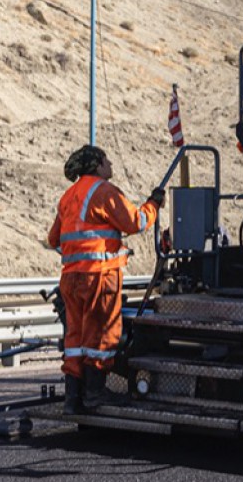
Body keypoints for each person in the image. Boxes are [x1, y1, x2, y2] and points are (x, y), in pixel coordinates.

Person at [49, 145, 161, 412]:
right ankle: (95, 394)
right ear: (98, 165)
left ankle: (73, 398)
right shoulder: (104, 191)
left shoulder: (69, 196)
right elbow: (136, 222)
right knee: (101, 336)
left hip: (70, 278)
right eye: (106, 160)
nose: (110, 164)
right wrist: (154, 204)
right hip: (98, 277)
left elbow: (54, 240)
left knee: (75, 339)